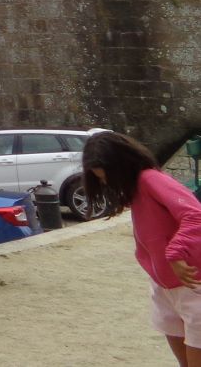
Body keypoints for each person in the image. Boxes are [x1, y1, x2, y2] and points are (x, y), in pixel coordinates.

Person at [82, 131, 201, 367]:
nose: (106, 184)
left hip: (191, 284)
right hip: (165, 287)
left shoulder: (150, 179)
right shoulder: (135, 188)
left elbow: (195, 214)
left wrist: (175, 252)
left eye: (107, 178)